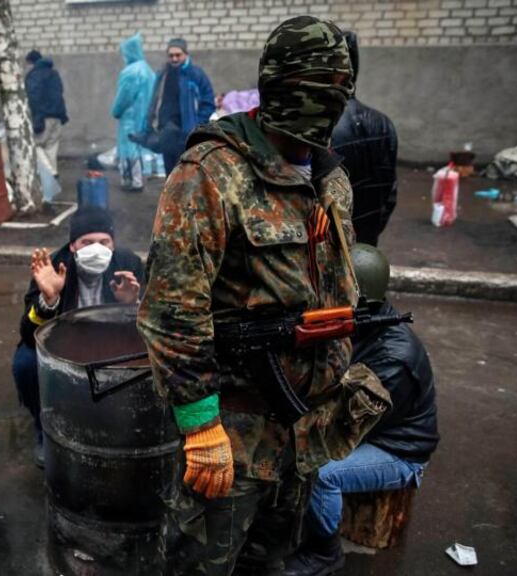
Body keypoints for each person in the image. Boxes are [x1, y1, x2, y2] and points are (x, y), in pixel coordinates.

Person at [137, 16, 391, 574]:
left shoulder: (329, 178)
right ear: (278, 86)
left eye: (336, 93)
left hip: (304, 435)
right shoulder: (210, 173)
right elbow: (170, 311)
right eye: (313, 92)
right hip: (232, 439)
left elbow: (336, 283)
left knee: (272, 561)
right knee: (202, 565)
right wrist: (202, 427)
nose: (326, 110)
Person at [285, 244, 439, 576]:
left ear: (361, 300)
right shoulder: (366, 325)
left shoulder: (394, 360)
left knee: (320, 471)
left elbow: (347, 425)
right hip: (375, 432)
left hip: (399, 452)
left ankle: (325, 551)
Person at [13, 206, 145, 467]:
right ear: (73, 246)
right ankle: (43, 429)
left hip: (109, 341)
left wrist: (132, 305)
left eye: (104, 242)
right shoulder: (51, 267)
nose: (97, 248)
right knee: (26, 363)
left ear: (113, 243)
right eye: (87, 242)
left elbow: (149, 327)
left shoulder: (127, 264)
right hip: (66, 342)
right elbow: (29, 336)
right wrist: (48, 300)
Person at [331, 32, 399, 246]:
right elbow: (390, 191)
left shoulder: (322, 128)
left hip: (333, 242)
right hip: (367, 239)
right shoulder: (383, 123)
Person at [144, 38, 215, 174]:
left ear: (186, 54)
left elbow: (208, 102)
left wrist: (197, 124)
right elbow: (154, 101)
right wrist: (149, 124)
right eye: (171, 55)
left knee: (186, 174)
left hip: (186, 134)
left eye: (178, 55)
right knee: (170, 174)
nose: (174, 59)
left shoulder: (195, 74)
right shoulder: (163, 74)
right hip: (166, 132)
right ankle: (170, 195)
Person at [111, 33, 156, 192]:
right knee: (138, 146)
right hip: (144, 116)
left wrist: (115, 111)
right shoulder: (148, 70)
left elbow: (124, 96)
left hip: (129, 117)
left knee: (127, 148)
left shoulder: (130, 72)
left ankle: (132, 181)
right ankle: (139, 179)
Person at [25, 49, 69, 176]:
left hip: (43, 117)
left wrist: (35, 119)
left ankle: (50, 172)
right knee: (51, 148)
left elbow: (33, 98)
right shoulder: (54, 73)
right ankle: (51, 180)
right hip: (58, 116)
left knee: (34, 145)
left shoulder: (34, 75)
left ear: (31, 63)